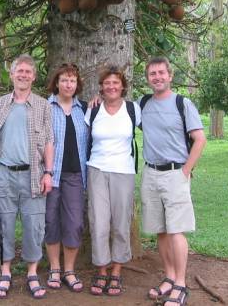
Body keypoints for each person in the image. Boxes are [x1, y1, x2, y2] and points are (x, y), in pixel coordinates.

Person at [0, 54, 54, 300]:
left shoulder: (43, 105)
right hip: (4, 176)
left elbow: (50, 141)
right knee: (4, 226)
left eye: (28, 72)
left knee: (34, 227)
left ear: (34, 76)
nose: (23, 75)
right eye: (19, 71)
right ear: (11, 75)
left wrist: (49, 173)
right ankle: (6, 272)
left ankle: (32, 273)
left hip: (34, 175)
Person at [139, 56, 207, 306]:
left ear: (170, 76)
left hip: (176, 173)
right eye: (152, 74)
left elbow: (199, 139)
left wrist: (186, 170)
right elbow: (119, 114)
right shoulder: (143, 103)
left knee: (176, 230)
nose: (157, 77)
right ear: (148, 78)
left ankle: (181, 284)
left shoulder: (182, 103)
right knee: (161, 230)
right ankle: (168, 276)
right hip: (150, 173)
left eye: (161, 73)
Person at [85, 66, 141, 297]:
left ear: (122, 86)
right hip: (97, 169)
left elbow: (156, 129)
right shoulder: (94, 109)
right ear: (102, 87)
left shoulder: (133, 109)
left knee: (120, 222)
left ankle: (117, 270)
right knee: (98, 222)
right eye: (107, 83)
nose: (111, 87)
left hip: (123, 172)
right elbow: (83, 139)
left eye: (115, 83)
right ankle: (101, 269)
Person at [44, 63, 90, 293]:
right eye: (64, 79)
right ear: (57, 82)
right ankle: (54, 268)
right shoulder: (45, 107)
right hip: (51, 174)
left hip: (75, 175)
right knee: (51, 220)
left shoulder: (85, 108)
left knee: (74, 223)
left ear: (77, 84)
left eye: (72, 80)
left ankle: (69, 270)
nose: (68, 84)